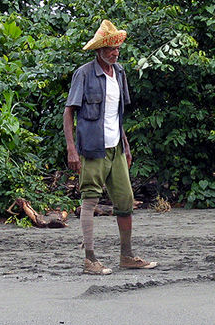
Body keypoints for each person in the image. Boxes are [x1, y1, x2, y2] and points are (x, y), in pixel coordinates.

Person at [63, 19, 158, 275]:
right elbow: (69, 111)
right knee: (90, 198)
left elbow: (117, 116)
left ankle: (126, 255)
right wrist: (72, 149)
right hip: (92, 148)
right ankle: (89, 259)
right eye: (110, 49)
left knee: (125, 201)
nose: (115, 53)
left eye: (117, 49)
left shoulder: (120, 73)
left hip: (115, 147)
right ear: (99, 51)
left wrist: (126, 146)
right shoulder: (84, 73)